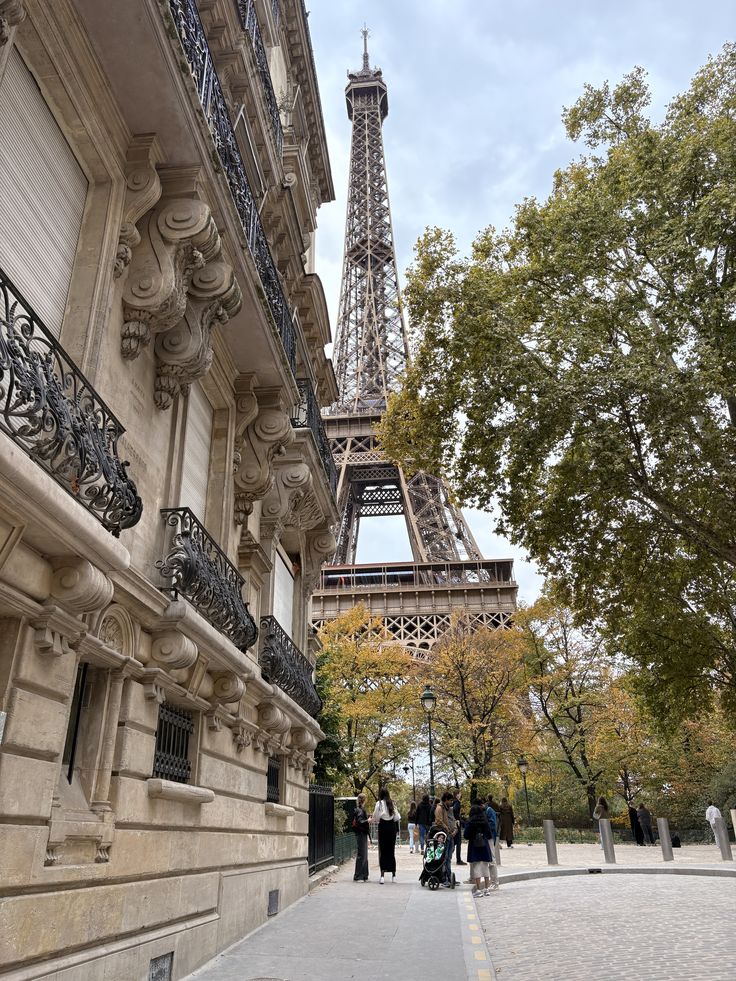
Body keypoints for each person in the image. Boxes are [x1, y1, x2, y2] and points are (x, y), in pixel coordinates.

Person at [464, 802, 498, 896]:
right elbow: (489, 834)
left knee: (477, 868)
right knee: (485, 867)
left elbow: (466, 835)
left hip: (474, 847)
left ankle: (478, 890)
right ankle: (487, 889)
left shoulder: (470, 822)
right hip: (484, 847)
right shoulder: (484, 821)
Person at [372, 788, 400, 883]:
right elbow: (397, 817)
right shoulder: (392, 803)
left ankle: (382, 876)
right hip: (391, 827)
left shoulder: (378, 804)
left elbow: (375, 817)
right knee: (391, 851)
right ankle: (394, 875)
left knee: (383, 851)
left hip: (383, 827)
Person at [434, 792, 457, 887]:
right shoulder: (439, 808)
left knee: (449, 857)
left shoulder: (447, 808)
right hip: (445, 835)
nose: (451, 802)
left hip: (450, 835)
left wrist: (455, 828)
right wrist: (448, 829)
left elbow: (453, 819)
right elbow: (439, 821)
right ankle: (444, 878)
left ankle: (448, 877)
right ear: (446, 799)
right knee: (445, 857)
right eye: (450, 800)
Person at [352, 793, 370, 881]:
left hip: (361, 834)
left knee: (364, 855)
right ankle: (358, 875)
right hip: (361, 834)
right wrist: (368, 820)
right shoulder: (360, 810)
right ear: (364, 800)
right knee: (362, 855)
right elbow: (360, 821)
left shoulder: (360, 809)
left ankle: (363, 875)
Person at [453, 790, 467, 865]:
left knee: (453, 842)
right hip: (457, 823)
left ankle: (448, 856)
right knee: (458, 842)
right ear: (457, 795)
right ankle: (458, 860)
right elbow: (455, 810)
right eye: (460, 794)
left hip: (453, 823)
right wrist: (458, 819)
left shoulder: (453, 802)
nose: (460, 795)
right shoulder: (457, 802)